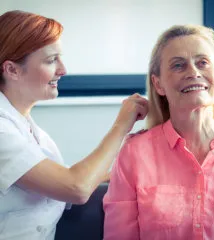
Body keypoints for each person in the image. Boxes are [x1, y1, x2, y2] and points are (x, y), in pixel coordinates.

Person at [0, 10, 148, 240]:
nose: (63, 70)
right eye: (51, 60)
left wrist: (121, 174)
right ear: (11, 70)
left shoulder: (30, 130)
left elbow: (71, 179)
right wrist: (122, 125)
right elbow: (75, 187)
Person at [103, 24, 214, 240]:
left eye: (203, 63)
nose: (194, 72)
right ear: (158, 84)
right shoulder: (134, 153)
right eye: (178, 65)